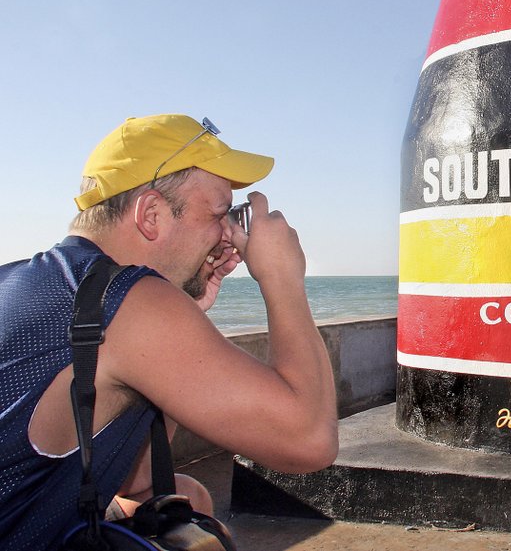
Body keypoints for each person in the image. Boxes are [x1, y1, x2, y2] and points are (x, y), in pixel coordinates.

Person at [0, 114, 339, 551]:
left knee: (184, 495)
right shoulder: (127, 299)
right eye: (220, 214)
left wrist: (188, 312)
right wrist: (284, 279)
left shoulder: (41, 280)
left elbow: (135, 479)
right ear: (152, 214)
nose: (229, 237)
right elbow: (309, 440)